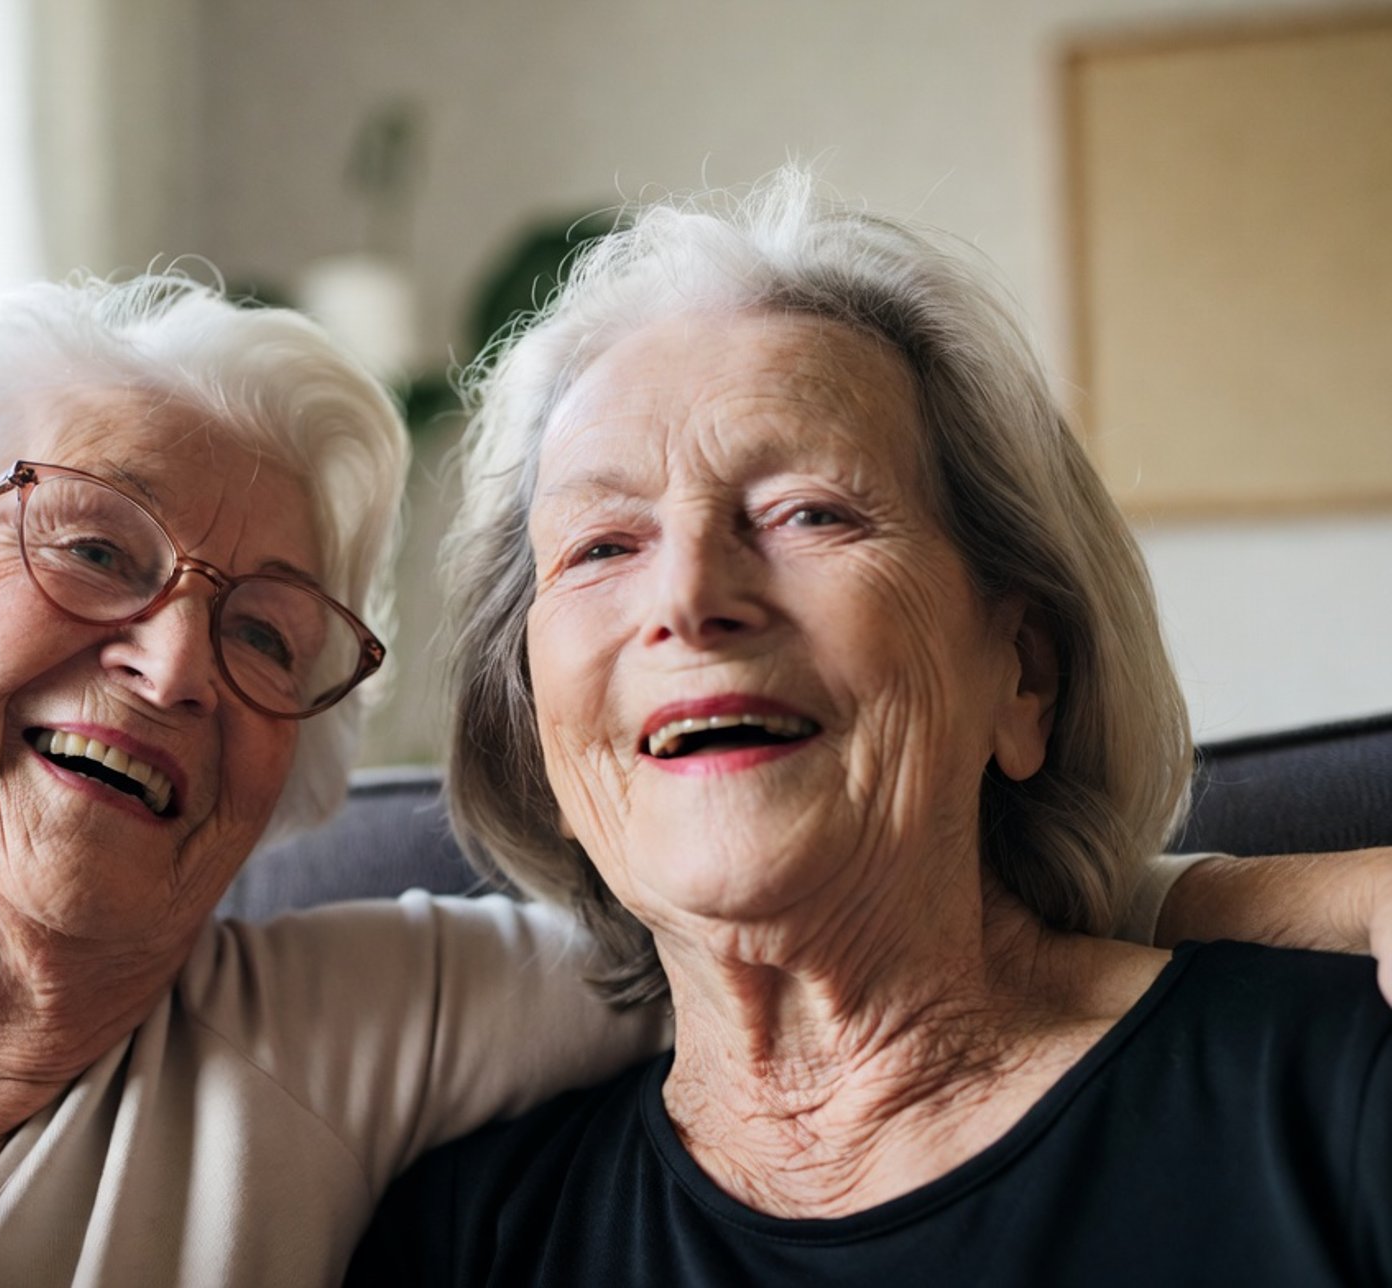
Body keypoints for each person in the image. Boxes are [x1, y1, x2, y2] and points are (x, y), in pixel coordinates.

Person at [0, 265, 1373, 1288]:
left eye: (268, 630)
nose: (170, 660)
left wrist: (1303, 893)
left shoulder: (348, 1046)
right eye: (94, 547)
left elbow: (844, 904)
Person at [348, 172, 1392, 1285]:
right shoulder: (470, 1241)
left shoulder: (1342, 1097)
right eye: (603, 545)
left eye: (809, 512)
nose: (689, 598)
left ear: (1022, 676)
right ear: (536, 730)